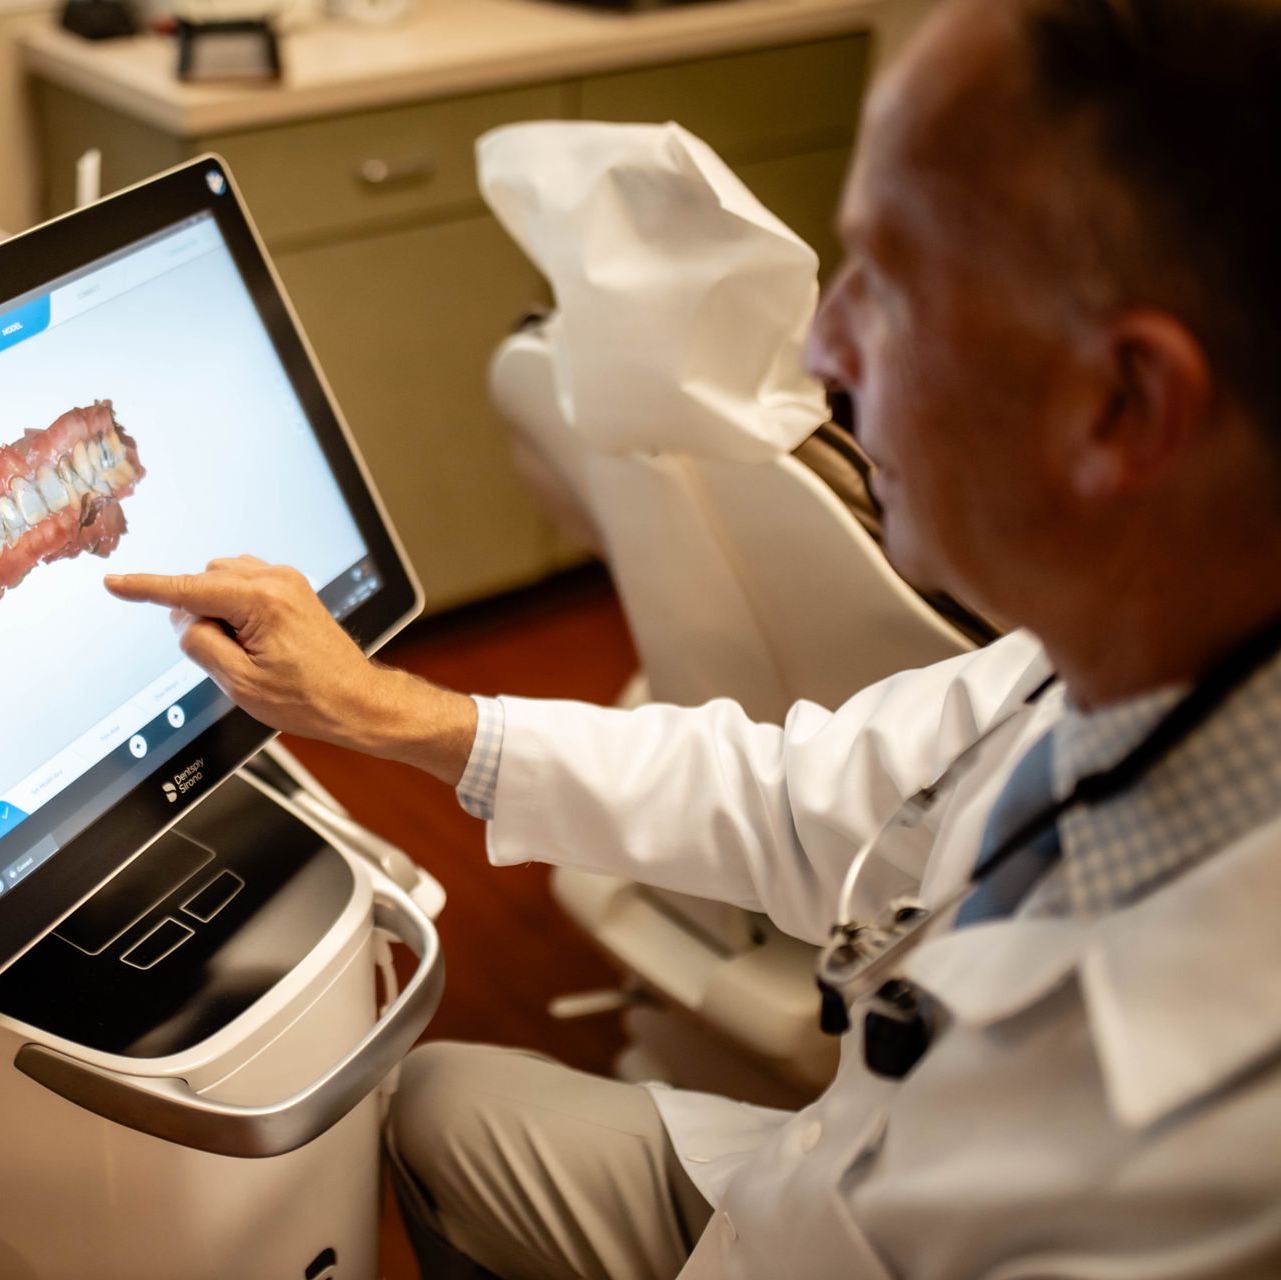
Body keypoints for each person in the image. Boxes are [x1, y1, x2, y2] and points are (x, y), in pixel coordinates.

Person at [105, 0, 1281, 1274]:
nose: (829, 352)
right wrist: (381, 708)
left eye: (893, 280)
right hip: (810, 1193)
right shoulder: (1116, 652)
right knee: (441, 1106)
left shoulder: (1212, 1174)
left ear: (1124, 405)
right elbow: (800, 798)